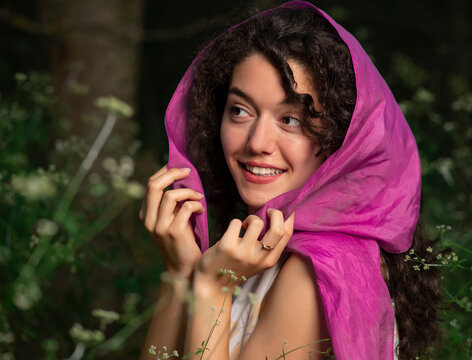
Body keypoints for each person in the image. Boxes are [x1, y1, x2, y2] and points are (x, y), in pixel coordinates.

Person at [139, 2, 443, 359]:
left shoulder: (315, 271)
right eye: (240, 110)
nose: (256, 143)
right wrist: (180, 274)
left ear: (343, 140)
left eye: (292, 120)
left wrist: (211, 289)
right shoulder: (259, 253)